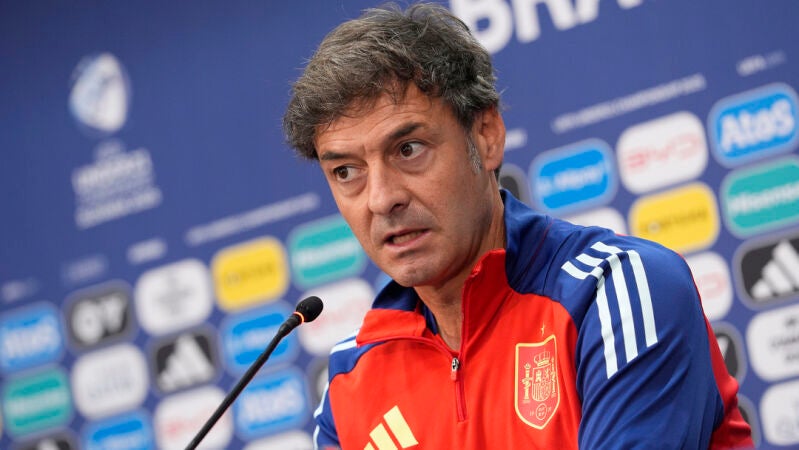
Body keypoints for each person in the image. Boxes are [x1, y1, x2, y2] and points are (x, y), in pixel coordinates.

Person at [283, 3, 753, 449]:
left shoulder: (616, 292)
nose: (382, 198)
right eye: (346, 171)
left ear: (486, 136)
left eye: (408, 150)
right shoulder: (348, 383)